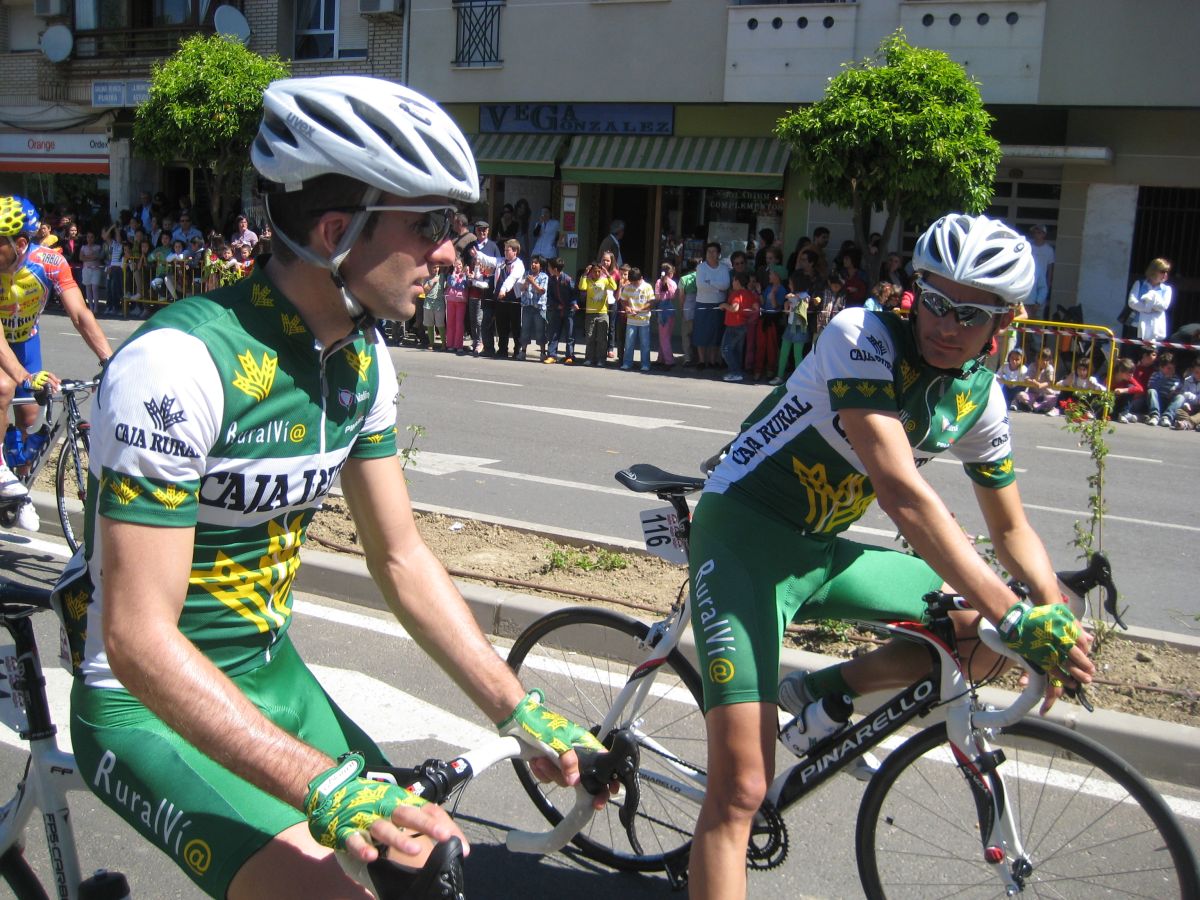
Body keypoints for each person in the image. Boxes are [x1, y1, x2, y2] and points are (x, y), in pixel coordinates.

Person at [62, 75, 604, 900]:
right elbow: (139, 641)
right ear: (334, 231)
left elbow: (401, 557)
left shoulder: (362, 358)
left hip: (274, 679)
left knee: (428, 866)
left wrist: (516, 707)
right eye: (430, 225)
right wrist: (320, 785)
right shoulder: (177, 367)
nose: (451, 253)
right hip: (148, 706)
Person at [686, 213, 1094, 900]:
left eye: (971, 314)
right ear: (914, 293)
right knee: (742, 789)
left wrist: (1052, 619)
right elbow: (901, 493)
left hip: (818, 550)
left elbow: (1012, 529)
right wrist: (1019, 615)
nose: (946, 325)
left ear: (1005, 323)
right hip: (741, 537)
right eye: (934, 301)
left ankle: (824, 689)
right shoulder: (861, 335)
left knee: (981, 636)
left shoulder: (980, 398)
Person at [0, 196, 112, 524]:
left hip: (25, 341)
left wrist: (109, 360)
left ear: (20, 244)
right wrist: (22, 376)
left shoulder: (49, 263)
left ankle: (16, 492)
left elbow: (80, 314)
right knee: (4, 387)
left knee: (29, 415)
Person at [693, 241, 730, 371]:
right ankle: (702, 360)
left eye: (714, 251)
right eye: (709, 251)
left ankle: (713, 360)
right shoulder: (701, 267)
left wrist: (710, 282)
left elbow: (725, 285)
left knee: (716, 332)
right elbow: (701, 286)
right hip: (703, 303)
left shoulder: (724, 268)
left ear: (719, 254)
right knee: (701, 332)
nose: (711, 254)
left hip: (719, 304)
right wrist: (717, 287)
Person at [719, 270, 757, 382]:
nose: (732, 282)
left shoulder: (736, 294)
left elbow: (734, 308)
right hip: (743, 326)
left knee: (725, 349)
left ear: (737, 281)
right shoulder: (749, 294)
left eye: (733, 280)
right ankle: (738, 372)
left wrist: (724, 305)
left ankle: (735, 372)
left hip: (733, 326)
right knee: (737, 350)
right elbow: (756, 307)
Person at [1126, 258, 1173, 347]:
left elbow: (1164, 306)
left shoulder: (1167, 289)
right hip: (1135, 327)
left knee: (1149, 355)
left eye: (1167, 272)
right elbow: (1131, 302)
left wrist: (1145, 305)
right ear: (1153, 271)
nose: (1165, 275)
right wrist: (1150, 308)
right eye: (1162, 271)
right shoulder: (1139, 283)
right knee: (1129, 354)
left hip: (1154, 331)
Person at [619, 266, 655, 373]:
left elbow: (651, 302)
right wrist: (627, 307)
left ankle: (645, 364)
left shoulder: (647, 287)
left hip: (644, 320)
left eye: (636, 282)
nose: (634, 284)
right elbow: (623, 299)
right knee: (629, 343)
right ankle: (627, 363)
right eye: (632, 282)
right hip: (631, 320)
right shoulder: (628, 287)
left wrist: (640, 309)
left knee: (645, 344)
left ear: (641, 278)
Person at [579, 261, 615, 366]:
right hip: (590, 313)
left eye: (599, 271)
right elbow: (582, 287)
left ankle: (601, 360)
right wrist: (585, 273)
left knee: (602, 338)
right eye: (595, 271)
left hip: (602, 313)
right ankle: (589, 358)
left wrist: (607, 274)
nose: (597, 273)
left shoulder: (605, 281)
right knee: (590, 337)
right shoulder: (588, 280)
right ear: (591, 272)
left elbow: (614, 287)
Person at [543, 257, 577, 364]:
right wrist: (555, 305)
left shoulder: (567, 280)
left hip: (568, 311)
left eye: (549, 267)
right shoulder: (551, 280)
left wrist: (574, 303)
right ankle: (552, 355)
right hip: (557, 311)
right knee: (553, 333)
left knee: (570, 334)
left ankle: (570, 356)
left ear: (555, 269)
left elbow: (574, 294)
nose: (548, 269)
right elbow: (549, 295)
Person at [516, 254, 549, 361]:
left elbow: (542, 290)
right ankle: (523, 352)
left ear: (541, 265)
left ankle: (543, 353)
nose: (533, 265)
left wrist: (532, 282)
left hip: (539, 308)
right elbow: (521, 288)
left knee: (540, 330)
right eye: (532, 263)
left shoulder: (544, 276)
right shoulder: (526, 274)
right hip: (527, 306)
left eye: (536, 263)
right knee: (525, 329)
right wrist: (527, 281)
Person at [1142, 351, 1184, 427]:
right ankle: (1154, 416)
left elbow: (1178, 389)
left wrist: (1175, 391)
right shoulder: (1155, 375)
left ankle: (1166, 417)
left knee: (1181, 397)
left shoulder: (1176, 378)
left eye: (1173, 368)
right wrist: (1163, 379)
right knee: (1151, 391)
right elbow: (1151, 386)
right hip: (1157, 401)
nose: (1172, 371)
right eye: (1169, 368)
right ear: (1161, 367)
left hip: (1168, 402)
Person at [1027, 224, 1054, 320]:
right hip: (1029, 281)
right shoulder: (1029, 247)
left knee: (1038, 316)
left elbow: (1050, 268)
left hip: (1041, 284)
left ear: (1044, 234)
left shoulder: (1049, 250)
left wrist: (1047, 285)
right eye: (1034, 232)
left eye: (1039, 232)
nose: (1036, 234)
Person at [653, 263, 677, 369]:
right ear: (670, 273)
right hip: (670, 309)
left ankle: (669, 360)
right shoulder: (673, 283)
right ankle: (661, 358)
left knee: (663, 337)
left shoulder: (659, 282)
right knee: (666, 336)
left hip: (662, 310)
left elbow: (657, 297)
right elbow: (673, 296)